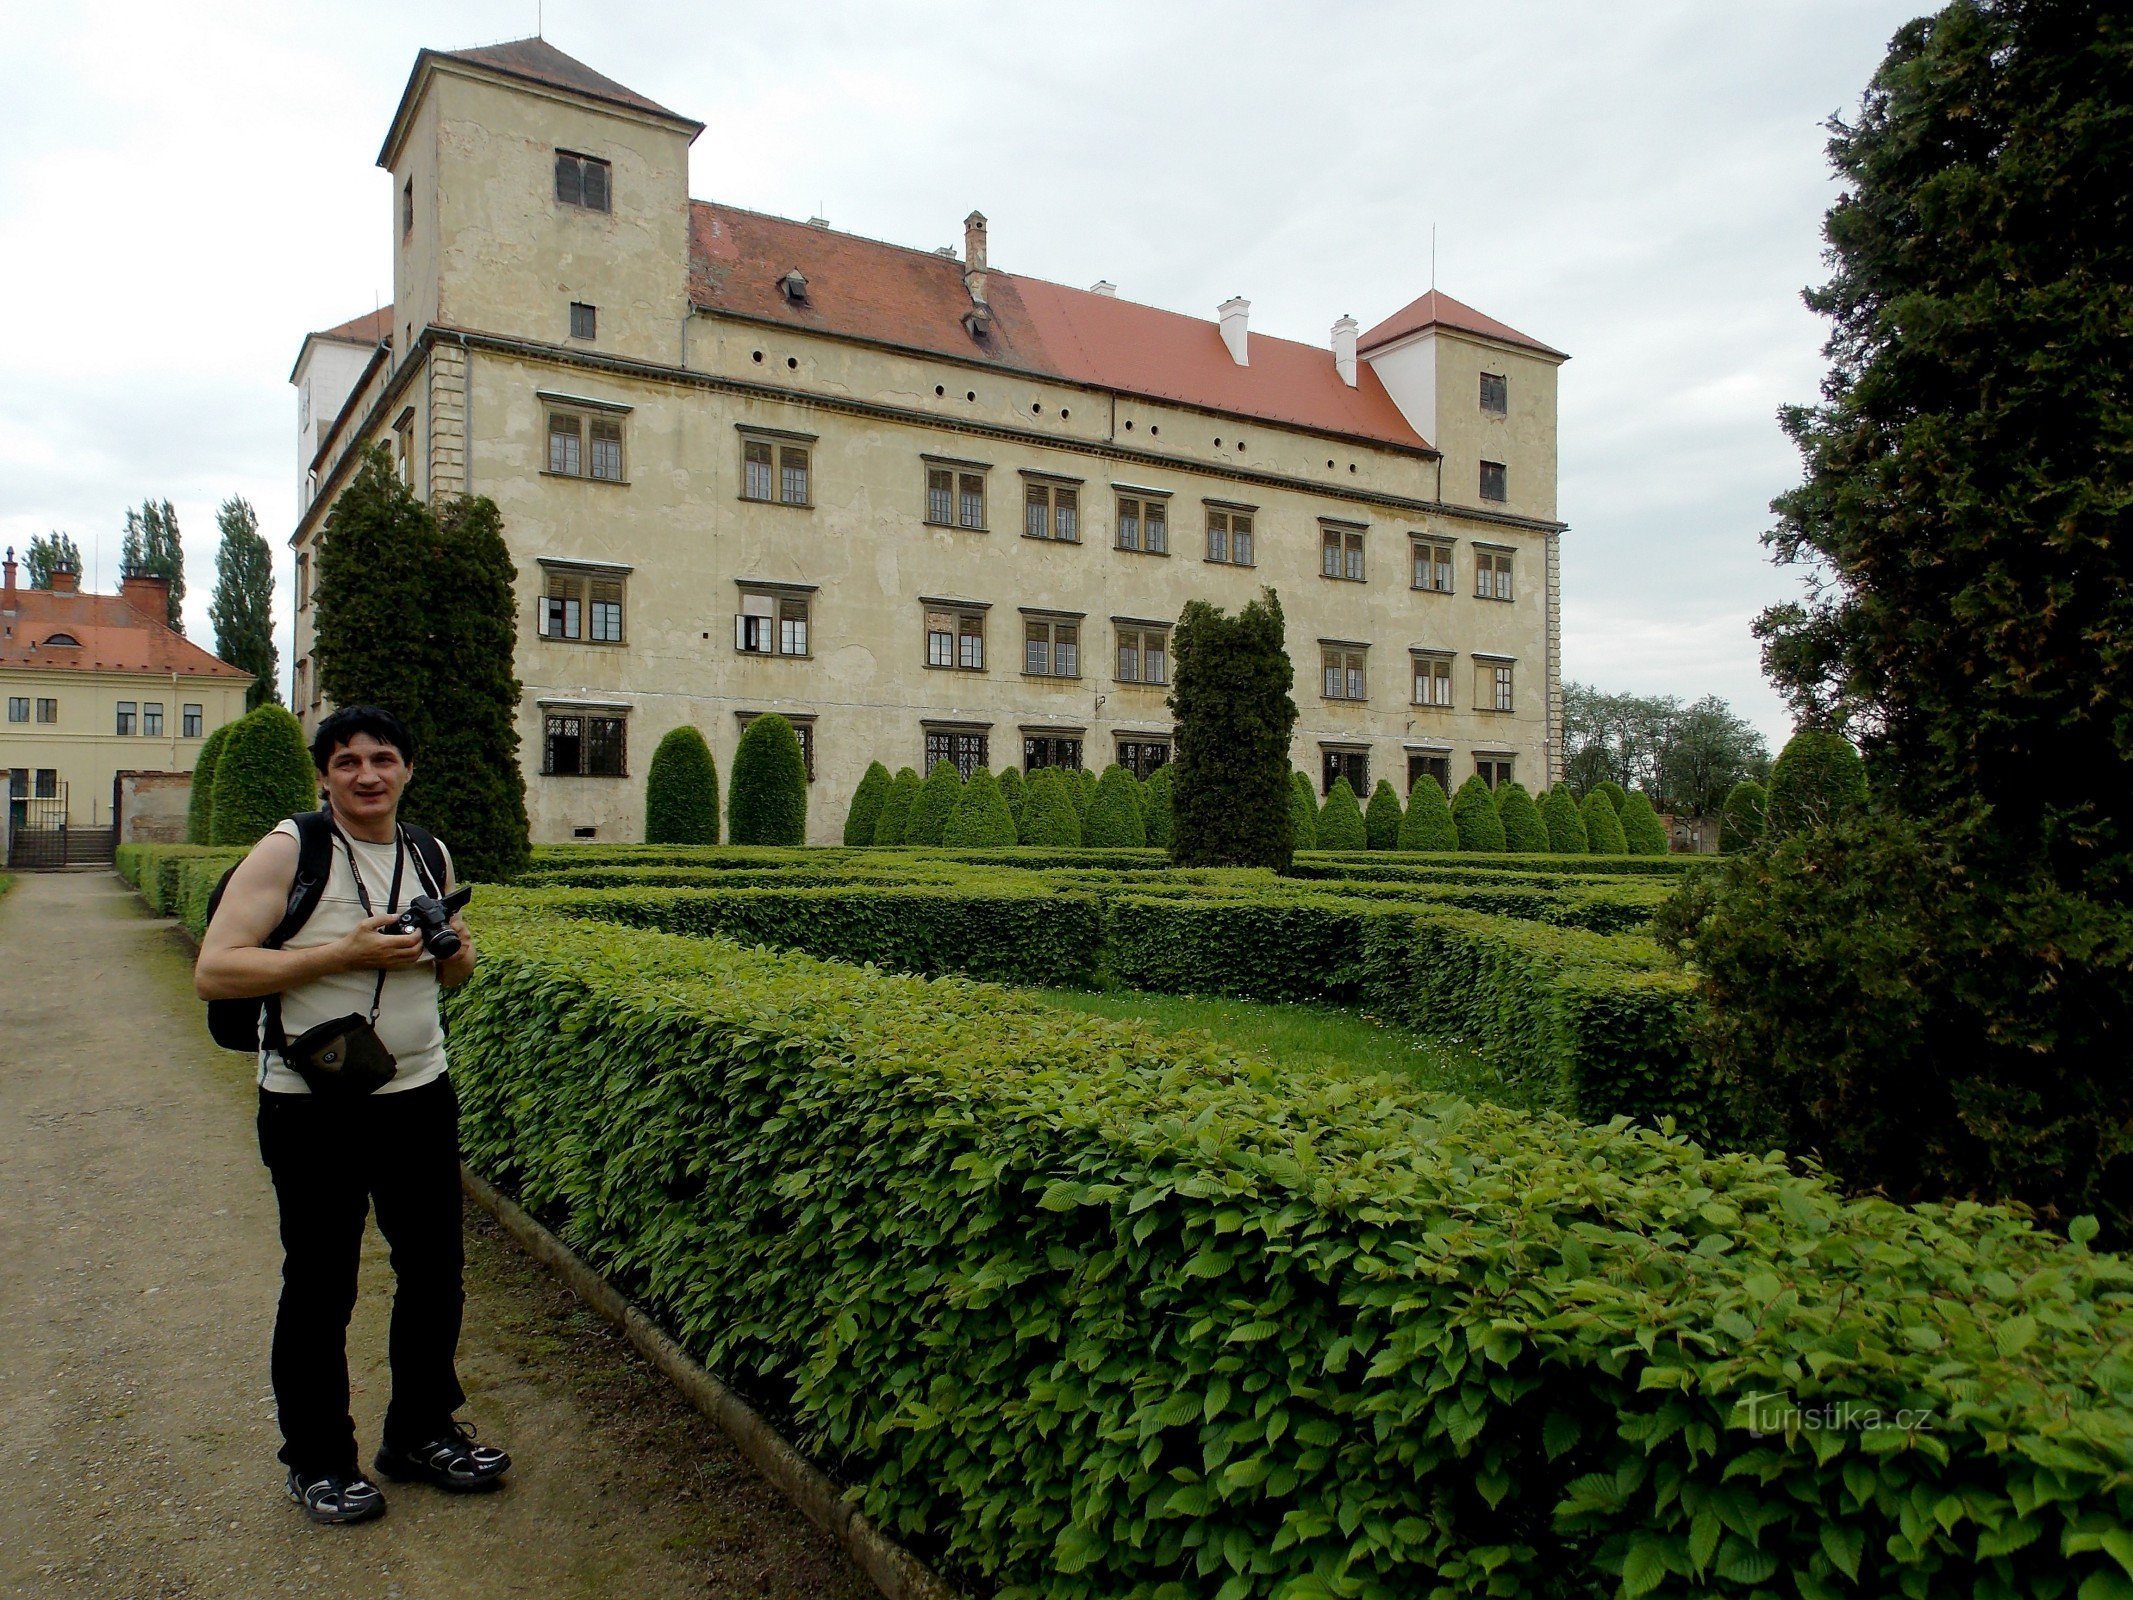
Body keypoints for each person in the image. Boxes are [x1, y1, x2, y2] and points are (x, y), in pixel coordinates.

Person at [195, 705, 510, 1525]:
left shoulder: (427, 851)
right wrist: (345, 953)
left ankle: (419, 1431)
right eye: (346, 762)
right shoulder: (291, 849)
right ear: (325, 776)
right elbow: (216, 970)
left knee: (436, 1272)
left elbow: (452, 982)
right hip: (312, 1105)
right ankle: (317, 1459)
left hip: (417, 1093)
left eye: (382, 759)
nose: (366, 775)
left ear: (407, 768)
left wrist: (456, 953)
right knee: (322, 1284)